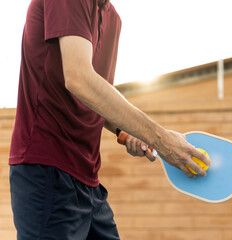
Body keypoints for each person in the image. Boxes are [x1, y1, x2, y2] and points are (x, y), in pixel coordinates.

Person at [9, 0, 211, 239]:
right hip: (47, 171)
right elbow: (79, 79)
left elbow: (95, 95)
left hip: (88, 181)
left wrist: (124, 131)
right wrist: (161, 139)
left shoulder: (112, 18)